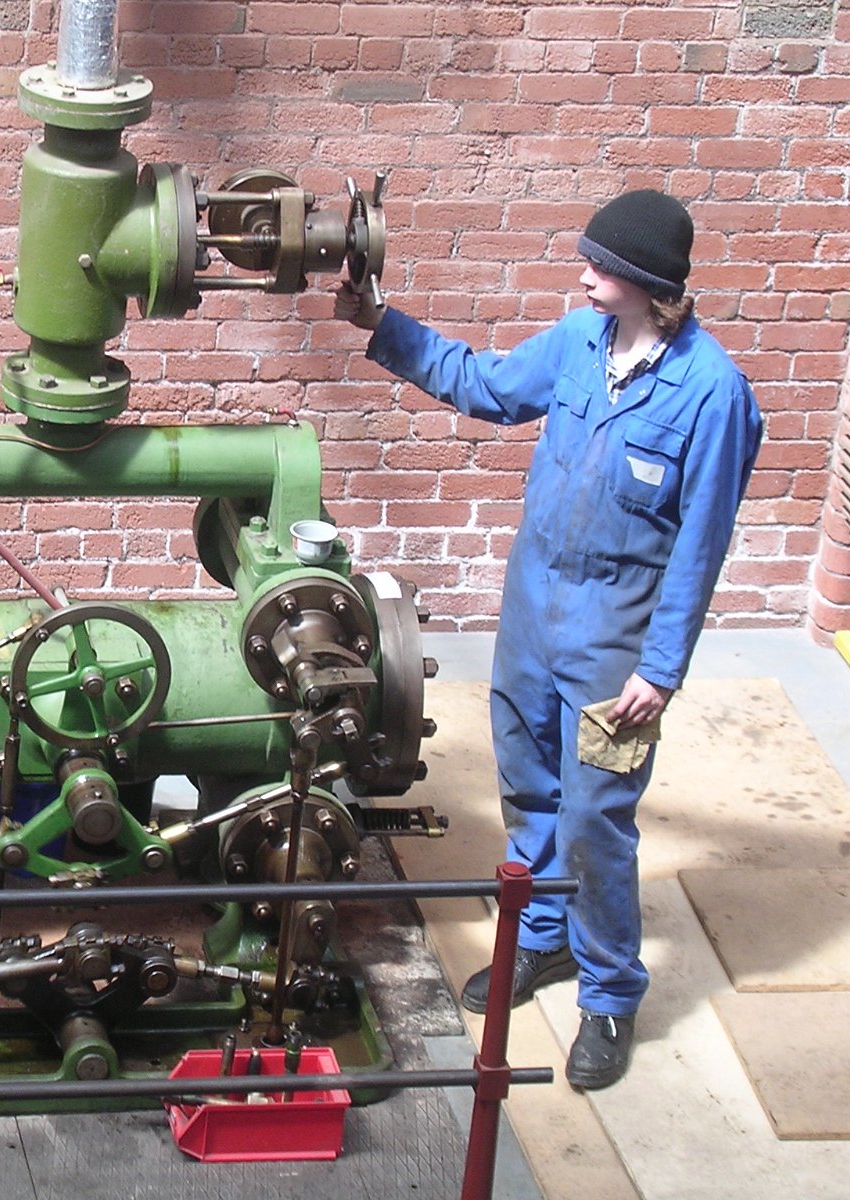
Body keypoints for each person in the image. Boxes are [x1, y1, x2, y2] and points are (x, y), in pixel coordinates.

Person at [332, 190, 763, 1089]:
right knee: (528, 784)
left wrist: (662, 668)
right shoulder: (577, 342)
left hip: (616, 640)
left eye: (601, 267)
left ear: (648, 285)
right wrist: (383, 323)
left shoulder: (713, 394)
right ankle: (542, 938)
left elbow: (701, 545)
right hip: (532, 612)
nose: (584, 277)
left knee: (597, 820)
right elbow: (488, 386)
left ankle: (609, 993)